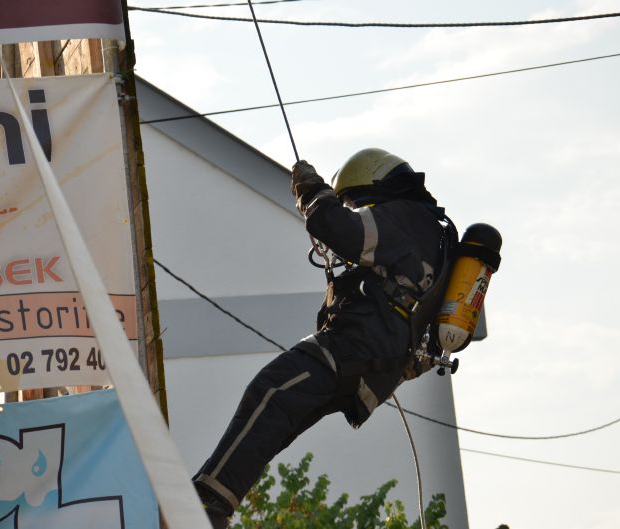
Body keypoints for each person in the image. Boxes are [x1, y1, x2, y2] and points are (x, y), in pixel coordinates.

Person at [193, 148, 455, 529]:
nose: (357, 211)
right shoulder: (434, 235)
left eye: (356, 203)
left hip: (352, 348)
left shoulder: (403, 216)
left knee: (271, 390)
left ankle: (207, 505)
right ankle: (213, 501)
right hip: (375, 366)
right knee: (281, 417)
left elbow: (339, 227)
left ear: (373, 184)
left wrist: (312, 190)